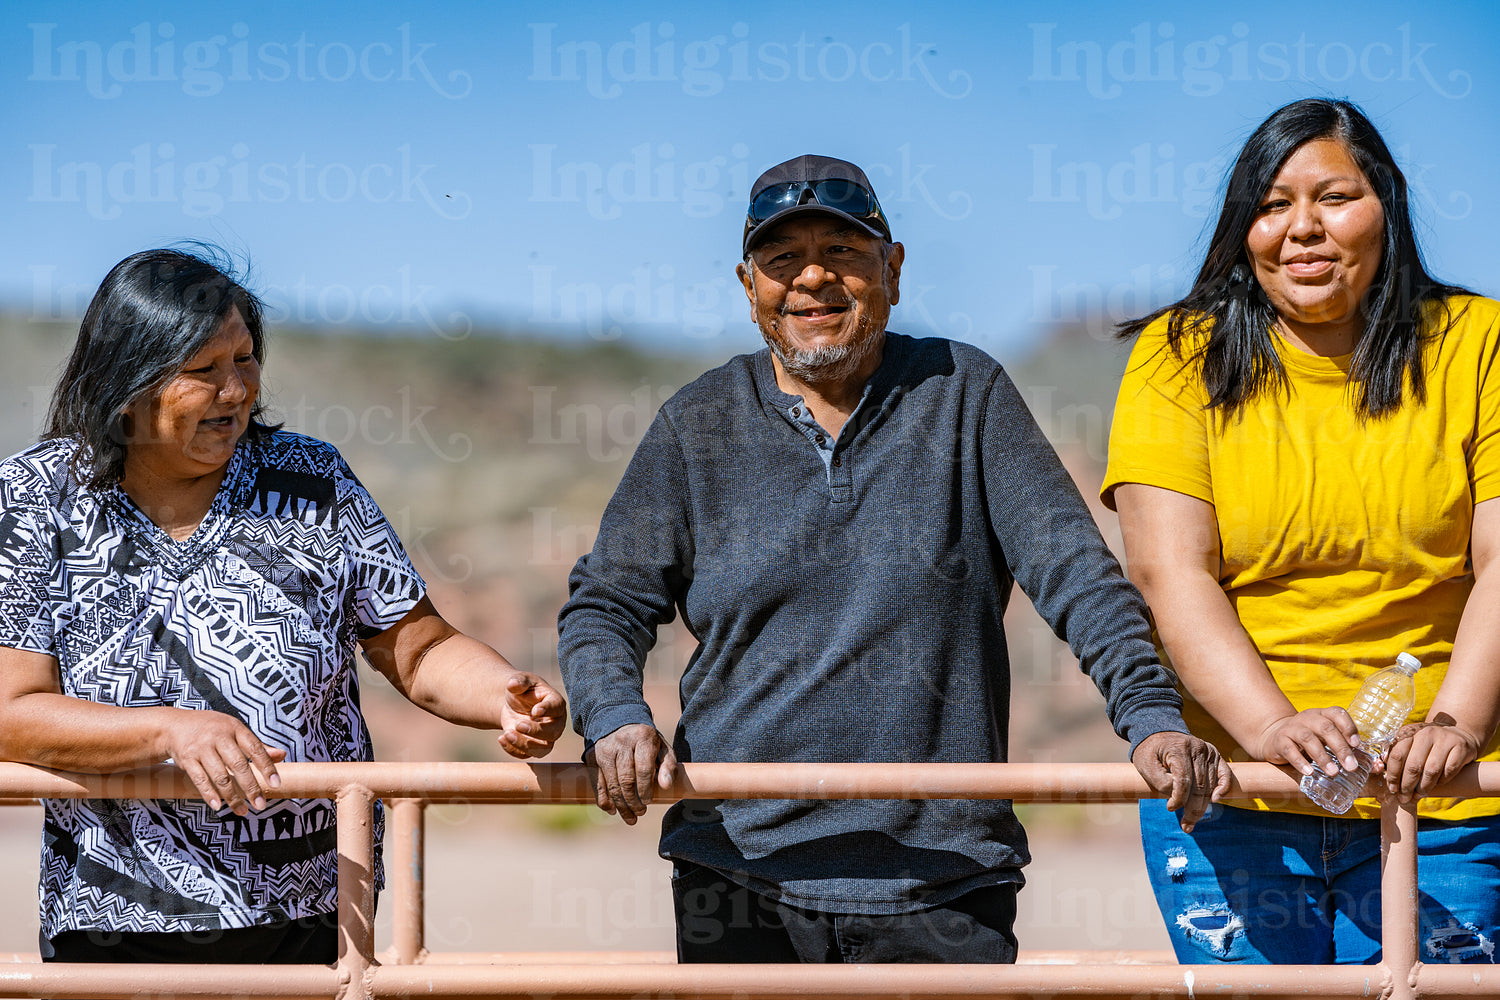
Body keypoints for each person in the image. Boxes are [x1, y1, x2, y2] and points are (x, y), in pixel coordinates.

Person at [558, 153, 1229, 964]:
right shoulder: (697, 422)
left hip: (943, 874)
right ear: (748, 286)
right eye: (782, 260)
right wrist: (615, 717)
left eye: (842, 252)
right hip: (738, 868)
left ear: (894, 269)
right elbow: (606, 604)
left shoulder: (965, 393)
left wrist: (1151, 716)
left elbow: (1079, 578)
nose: (812, 278)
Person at [0, 247, 565, 965]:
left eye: (245, 360)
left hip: (312, 910)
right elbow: (11, 711)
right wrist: (171, 732)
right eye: (203, 372)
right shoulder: (36, 497)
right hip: (114, 916)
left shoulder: (313, 480)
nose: (235, 391)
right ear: (128, 382)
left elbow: (419, 650)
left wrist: (502, 696)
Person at [1103, 98, 1500, 965]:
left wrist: (1459, 725)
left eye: (1334, 198)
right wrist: (1273, 729)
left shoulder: (1478, 342)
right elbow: (1171, 575)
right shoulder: (1179, 355)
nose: (1303, 229)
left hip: (1444, 805)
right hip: (1236, 801)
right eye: (1274, 204)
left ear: (1386, 206)